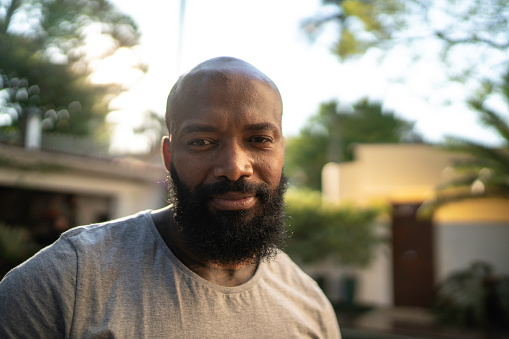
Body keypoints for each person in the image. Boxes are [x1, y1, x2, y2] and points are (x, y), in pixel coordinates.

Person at [0, 57, 341, 338]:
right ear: (168, 156)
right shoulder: (67, 282)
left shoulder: (310, 307)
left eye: (259, 139)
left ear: (281, 151)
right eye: (202, 141)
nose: (235, 167)